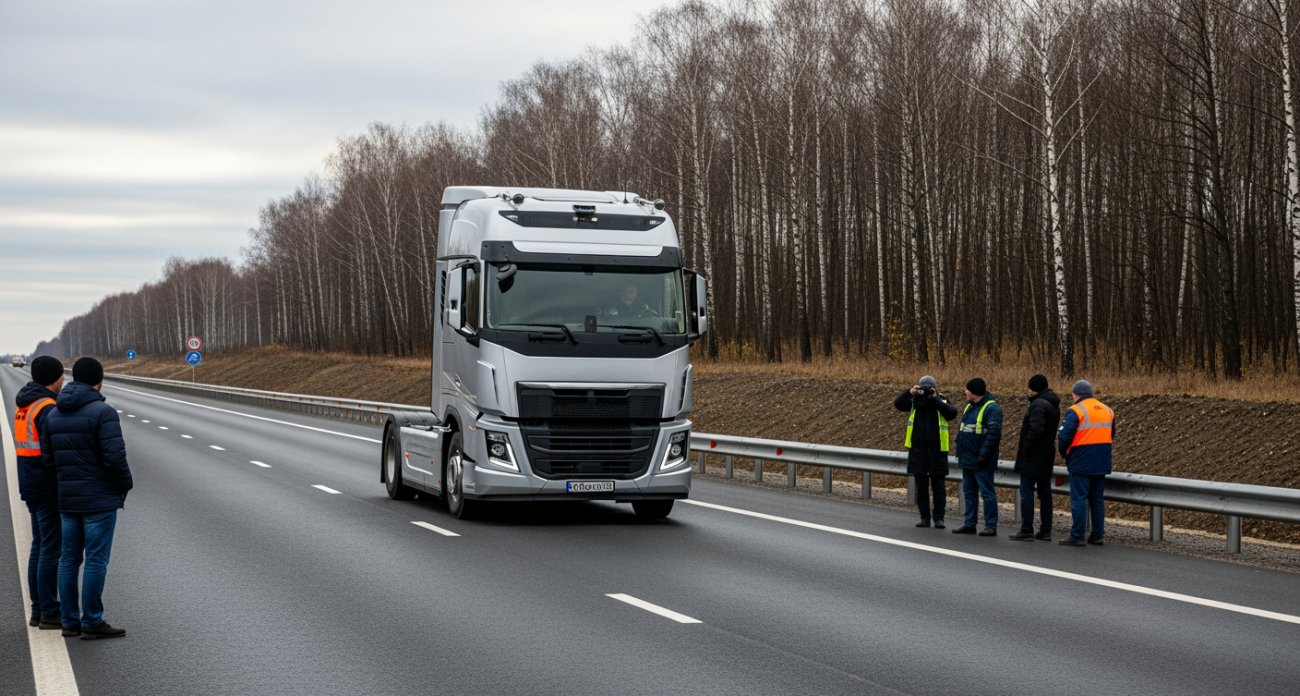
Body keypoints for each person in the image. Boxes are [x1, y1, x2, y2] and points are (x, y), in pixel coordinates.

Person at [43, 357, 133, 639]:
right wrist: (125, 485)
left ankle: (69, 621)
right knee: (96, 559)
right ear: (99, 381)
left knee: (69, 559)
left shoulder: (53, 413)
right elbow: (114, 459)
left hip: (68, 499)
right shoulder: (103, 412)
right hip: (99, 499)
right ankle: (92, 621)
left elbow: (49, 461)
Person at [15, 356, 65, 630]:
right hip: (45, 485)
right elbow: (53, 452)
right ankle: (48, 610)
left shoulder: (26, 403)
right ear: (54, 378)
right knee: (50, 548)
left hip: (30, 481)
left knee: (40, 546)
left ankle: (38, 609)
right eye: (61, 376)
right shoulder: (47, 407)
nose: (64, 381)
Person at [894, 376, 958, 528]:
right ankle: (924, 517)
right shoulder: (914, 401)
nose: (925, 391)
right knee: (921, 488)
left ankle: (939, 519)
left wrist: (934, 398)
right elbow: (898, 404)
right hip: (918, 450)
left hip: (937, 451)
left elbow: (952, 413)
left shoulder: (941, 400)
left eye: (928, 388)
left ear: (935, 388)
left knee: (939, 489)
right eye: (923, 388)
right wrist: (910, 392)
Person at [1057, 380, 1114, 547]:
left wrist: (1065, 455)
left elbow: (1064, 437)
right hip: (1102, 461)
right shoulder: (1108, 410)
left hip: (1081, 461)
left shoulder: (1075, 410)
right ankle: (1097, 535)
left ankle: (1077, 535)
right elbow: (1111, 434)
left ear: (1075, 395)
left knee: (1079, 499)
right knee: (1096, 499)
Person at [1009, 374, 1060, 541]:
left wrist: (1026, 448)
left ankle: (1026, 529)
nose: (1027, 391)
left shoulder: (1038, 404)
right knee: (1045, 493)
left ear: (1034, 389)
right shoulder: (1053, 404)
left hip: (1034, 455)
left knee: (1027, 492)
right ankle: (1045, 530)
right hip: (1046, 453)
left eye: (1029, 388)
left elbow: (1036, 429)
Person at [952, 378, 1003, 536]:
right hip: (968, 458)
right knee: (969, 492)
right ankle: (970, 523)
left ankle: (991, 525)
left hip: (981, 459)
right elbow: (964, 431)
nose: (965, 392)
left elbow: (994, 434)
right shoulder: (970, 407)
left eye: (967, 389)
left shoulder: (992, 408)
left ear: (974, 391)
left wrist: (983, 455)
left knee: (987, 493)